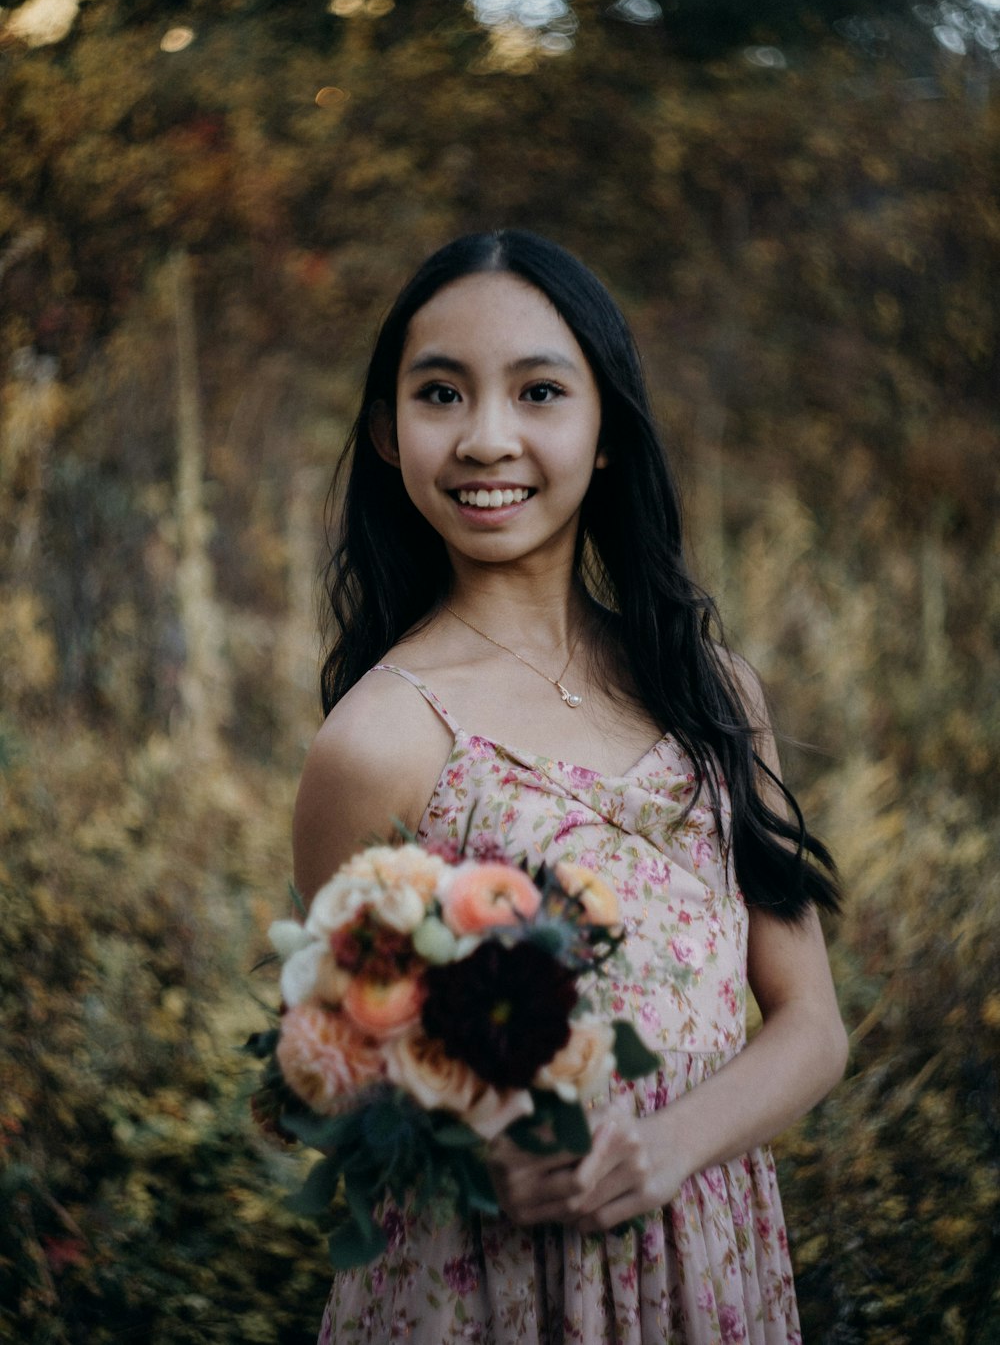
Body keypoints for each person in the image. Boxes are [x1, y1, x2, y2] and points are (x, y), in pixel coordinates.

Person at [292, 230, 848, 1344]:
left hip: (706, 1261)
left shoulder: (708, 693)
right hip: (481, 1285)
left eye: (539, 390)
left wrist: (673, 1145)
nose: (486, 438)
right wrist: (476, 1161)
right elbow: (332, 1062)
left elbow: (810, 1026)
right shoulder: (382, 741)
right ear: (386, 434)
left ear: (604, 434)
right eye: (439, 393)